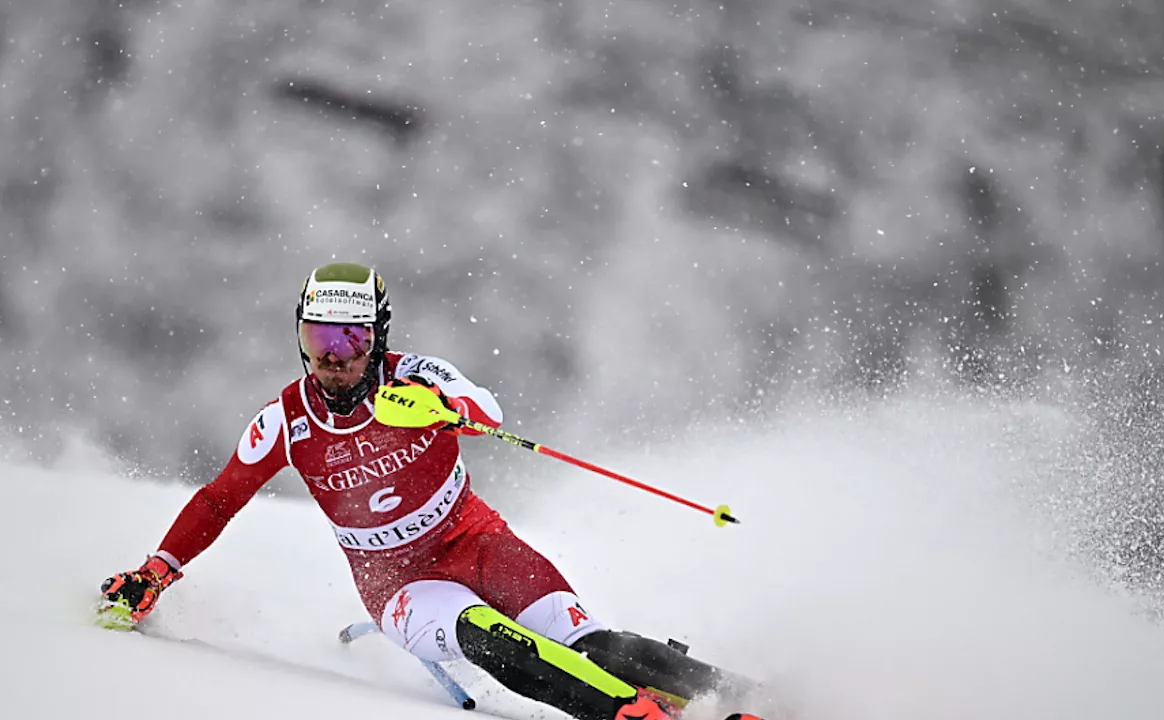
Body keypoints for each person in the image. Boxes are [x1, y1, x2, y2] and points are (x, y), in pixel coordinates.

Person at [97, 262, 757, 720]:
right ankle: (628, 714)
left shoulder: (413, 374)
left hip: (476, 539)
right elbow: (219, 499)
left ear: (376, 337)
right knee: (491, 637)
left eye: (348, 340)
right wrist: (158, 570)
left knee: (599, 648)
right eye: (316, 337)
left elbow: (486, 410)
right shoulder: (288, 420)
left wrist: (438, 403)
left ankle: (756, 696)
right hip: (400, 586)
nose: (331, 357)